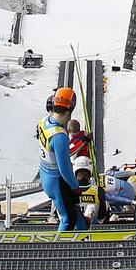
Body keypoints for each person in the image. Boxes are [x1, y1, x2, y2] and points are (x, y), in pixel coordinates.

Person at [36, 87, 87, 231]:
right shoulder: (59, 136)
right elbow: (65, 169)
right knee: (68, 217)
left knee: (74, 214)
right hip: (57, 181)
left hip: (46, 174)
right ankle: (58, 250)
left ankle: (83, 234)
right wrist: (75, 187)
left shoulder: (44, 122)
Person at [72, 156, 108, 225]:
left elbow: (102, 214)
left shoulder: (68, 189)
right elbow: (102, 214)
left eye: (84, 173)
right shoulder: (98, 190)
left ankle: (86, 220)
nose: (83, 176)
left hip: (89, 224)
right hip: (76, 222)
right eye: (81, 173)